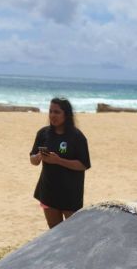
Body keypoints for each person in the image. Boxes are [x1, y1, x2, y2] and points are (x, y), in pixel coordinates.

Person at [29, 98, 91, 228]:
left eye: (57, 112)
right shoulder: (43, 134)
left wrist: (58, 161)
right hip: (48, 191)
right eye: (50, 111)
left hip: (71, 193)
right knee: (54, 232)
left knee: (72, 233)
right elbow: (33, 160)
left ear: (66, 114)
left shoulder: (77, 137)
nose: (52, 115)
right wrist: (39, 156)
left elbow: (83, 165)